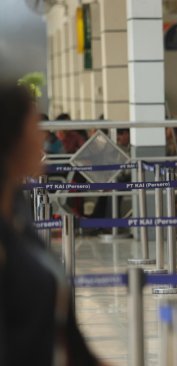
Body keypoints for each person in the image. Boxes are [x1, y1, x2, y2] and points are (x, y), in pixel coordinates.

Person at [0, 83, 101, 365]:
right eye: (34, 127)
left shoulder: (20, 215)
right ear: (11, 141)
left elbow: (72, 346)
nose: (42, 137)